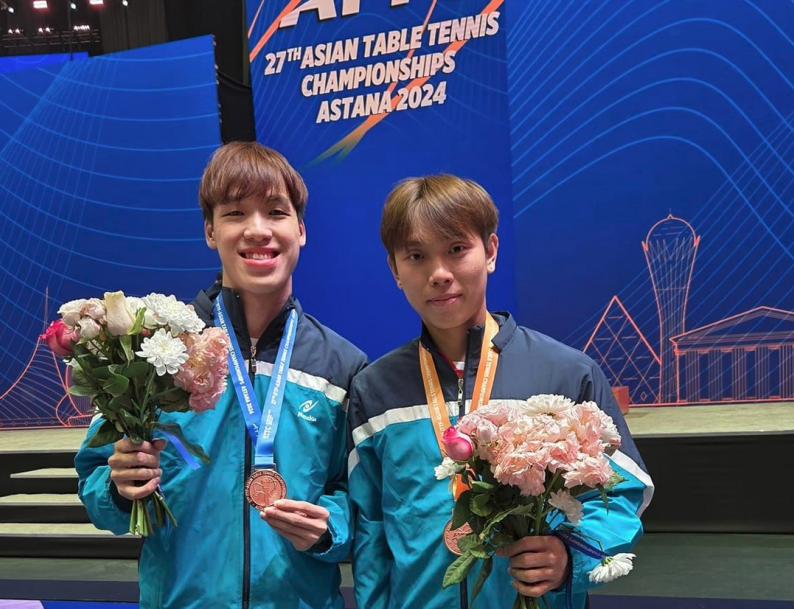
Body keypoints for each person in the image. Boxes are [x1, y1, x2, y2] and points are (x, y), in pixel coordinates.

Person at [75, 142, 367, 609]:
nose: (257, 230)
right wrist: (119, 488)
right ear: (211, 231)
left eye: (275, 212)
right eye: (235, 214)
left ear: (301, 229)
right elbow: (95, 479)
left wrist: (330, 525)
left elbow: (362, 499)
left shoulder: (342, 366)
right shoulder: (156, 350)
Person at [347, 175, 653, 609]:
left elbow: (623, 493)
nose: (439, 274)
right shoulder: (374, 390)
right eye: (416, 256)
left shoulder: (566, 375)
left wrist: (571, 556)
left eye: (456, 249)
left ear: (490, 250)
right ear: (395, 270)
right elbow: (372, 533)